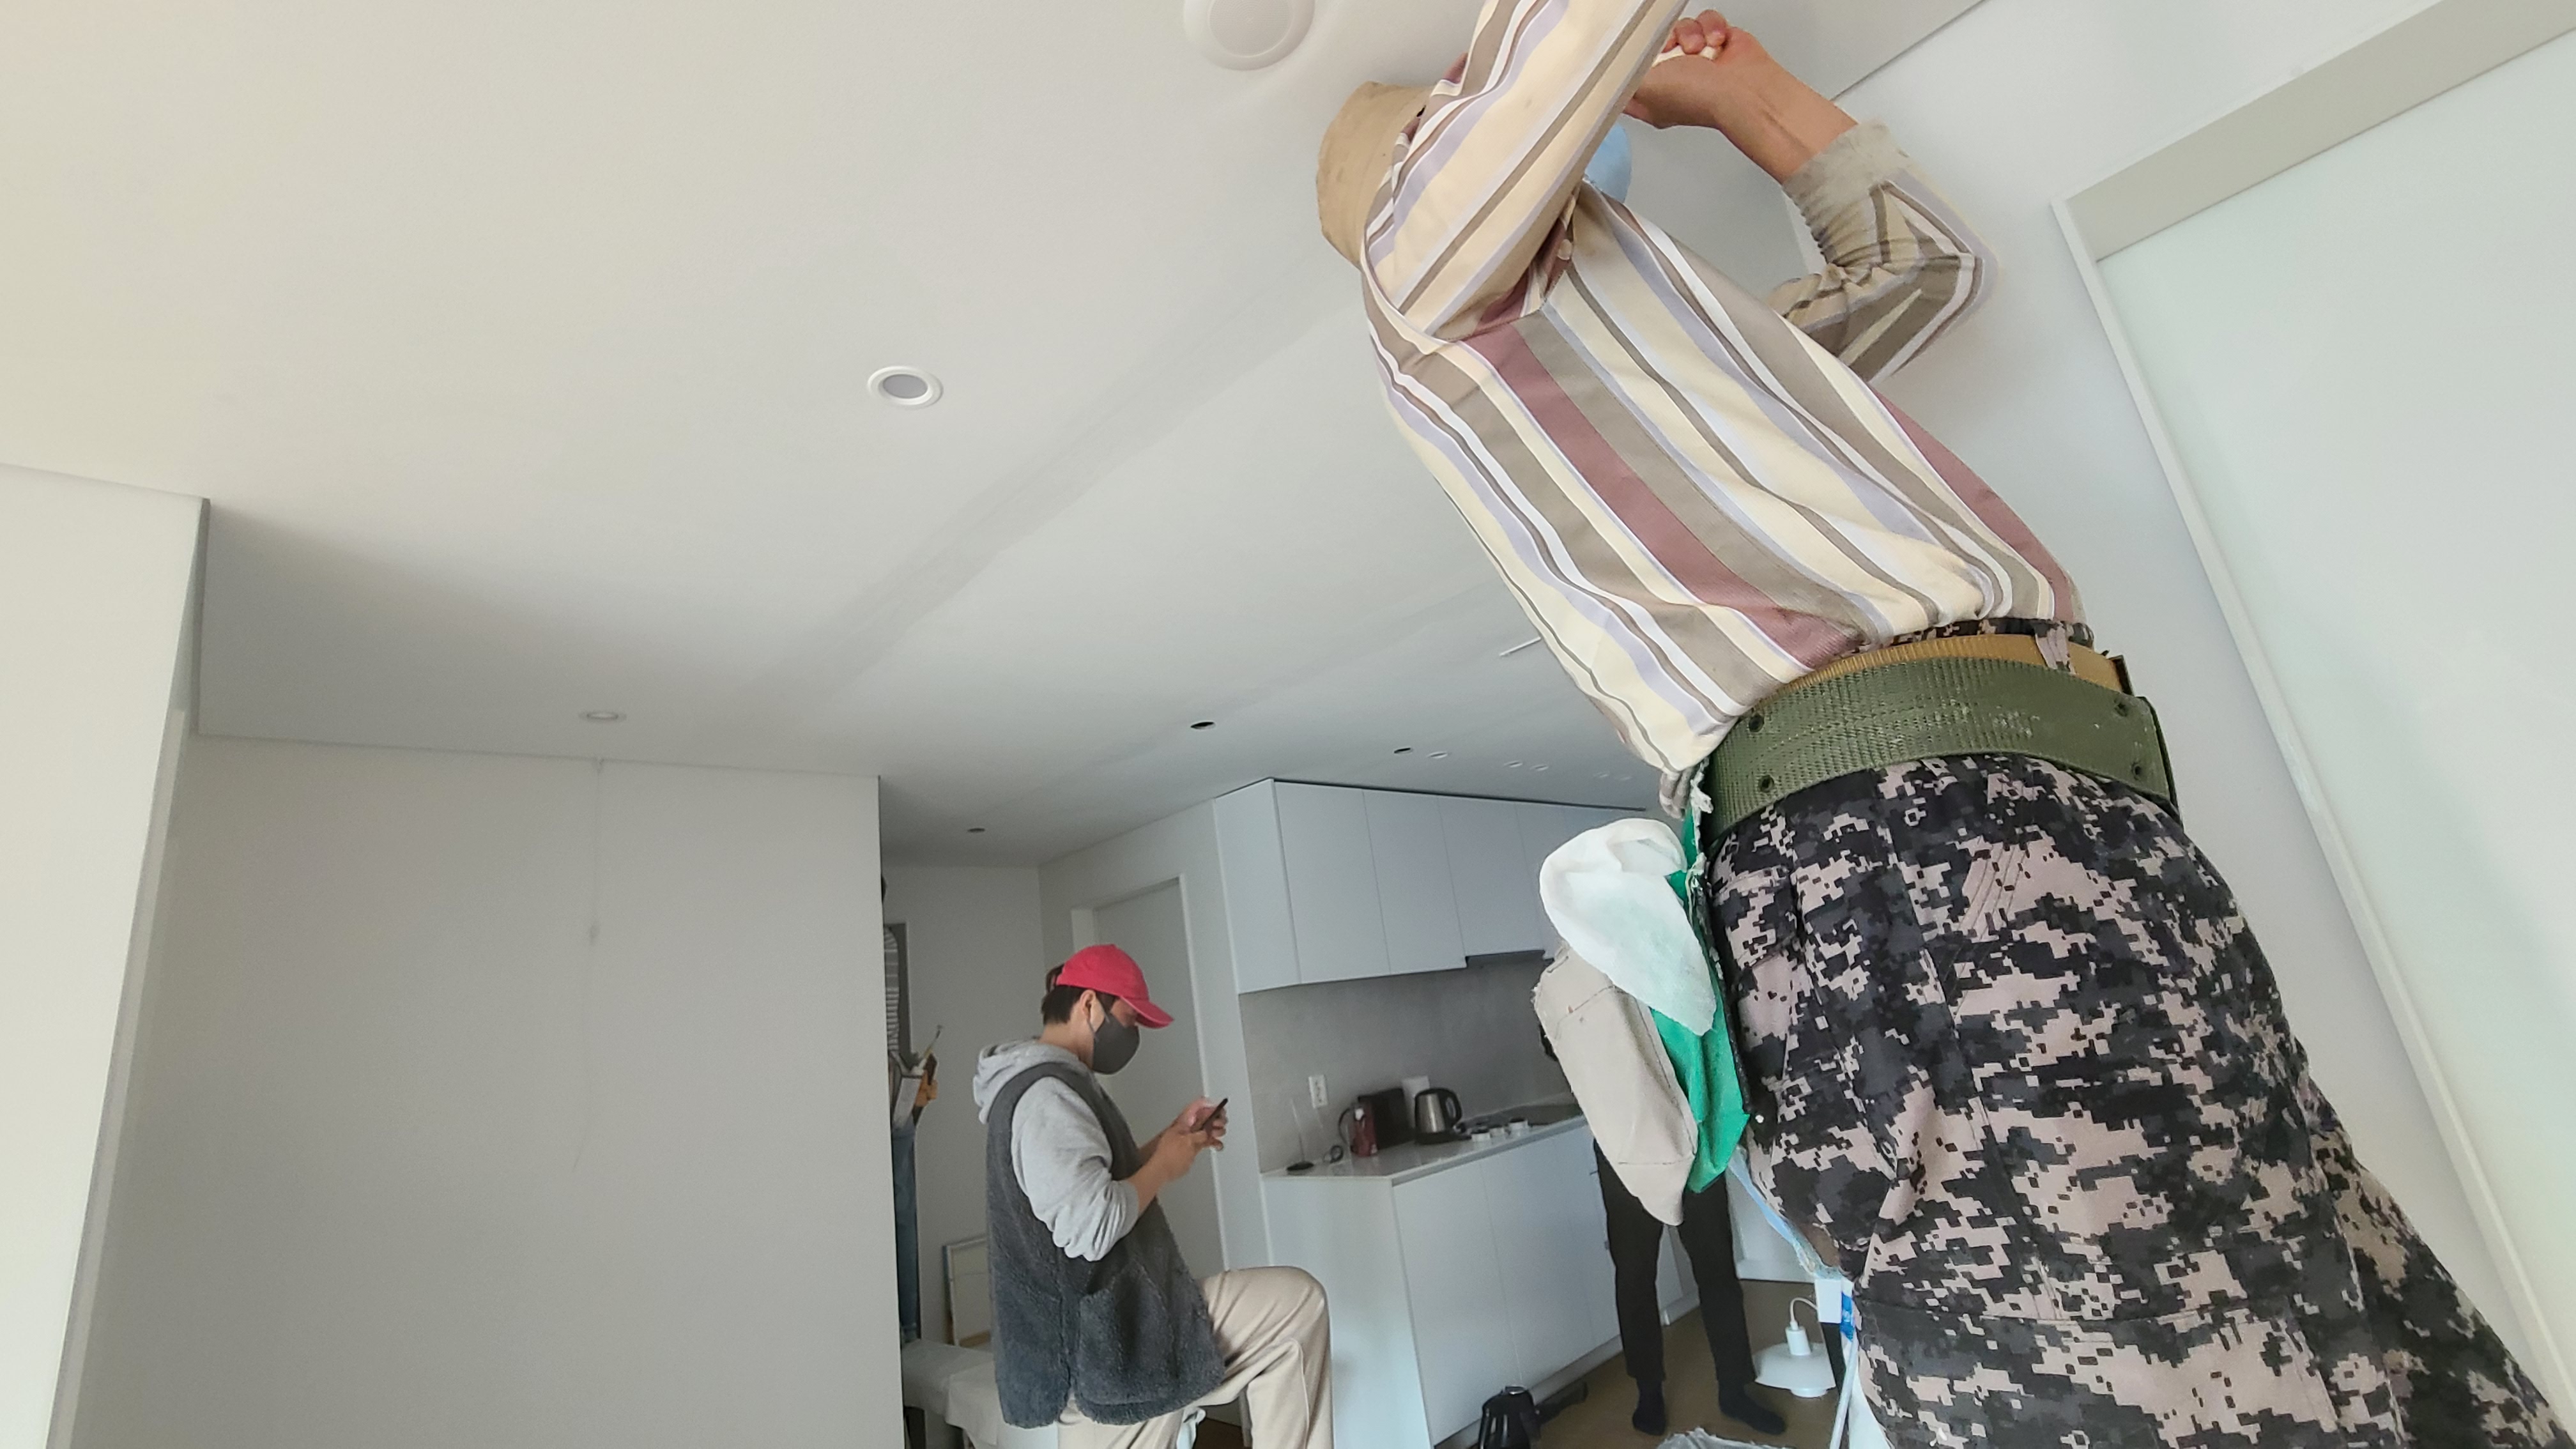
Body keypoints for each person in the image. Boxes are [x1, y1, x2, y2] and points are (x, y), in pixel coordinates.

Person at [1315, 8, 2569, 1448]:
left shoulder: (1698, 363)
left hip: (2043, 823)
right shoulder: (1422, 283)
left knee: (2389, 1365)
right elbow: (1546, 58)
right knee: (2161, 1383)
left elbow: (1926, 269)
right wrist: (1553, 82)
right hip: (1915, 847)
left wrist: (1738, 93)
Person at [974, 944, 1333, 1449]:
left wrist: (1172, 1140)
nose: (1134, 1036)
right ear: (1090, 1005)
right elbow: (1091, 1227)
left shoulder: (1053, 1086)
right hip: (1102, 1347)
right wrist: (1164, 1165)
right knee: (1297, 1305)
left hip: (1120, 1330)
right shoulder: (1045, 1097)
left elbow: (1093, 1186)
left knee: (1295, 1309)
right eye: (1130, 1020)